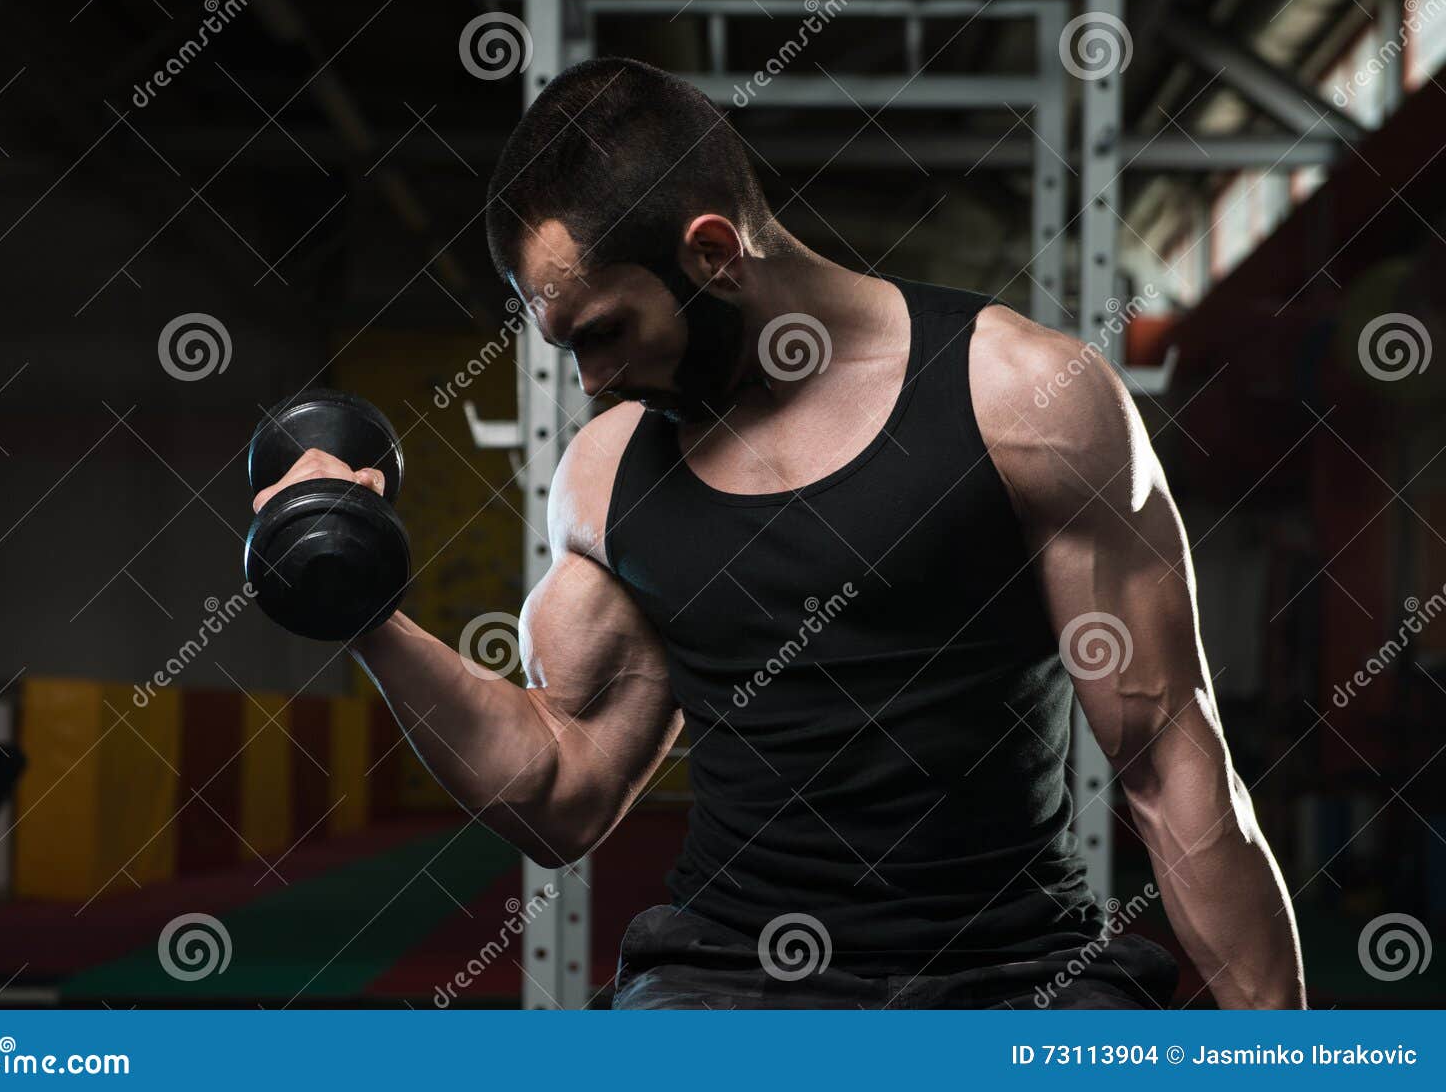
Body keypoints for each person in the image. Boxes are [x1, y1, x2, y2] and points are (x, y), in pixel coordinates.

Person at [251, 57, 1306, 1009]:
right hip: (727, 982)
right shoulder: (611, 477)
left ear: (713, 251)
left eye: (606, 332)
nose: (594, 380)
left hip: (1018, 973)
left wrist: (1282, 1058)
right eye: (569, 347)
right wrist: (365, 610)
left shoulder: (1023, 400)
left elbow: (1170, 762)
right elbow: (562, 795)